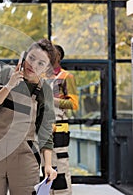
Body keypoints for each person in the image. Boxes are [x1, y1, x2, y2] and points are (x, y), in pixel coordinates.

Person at [0, 38, 58, 195]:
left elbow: (45, 130)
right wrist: (9, 85)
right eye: (31, 58)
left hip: (24, 155)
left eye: (41, 63)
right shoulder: (6, 74)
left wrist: (48, 165)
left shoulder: (44, 91)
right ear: (25, 55)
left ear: (46, 69)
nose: (33, 65)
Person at [45, 44, 79, 195]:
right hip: (42, 129)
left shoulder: (67, 77)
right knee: (46, 167)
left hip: (59, 128)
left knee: (61, 168)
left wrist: (52, 100)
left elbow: (73, 104)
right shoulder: (40, 77)